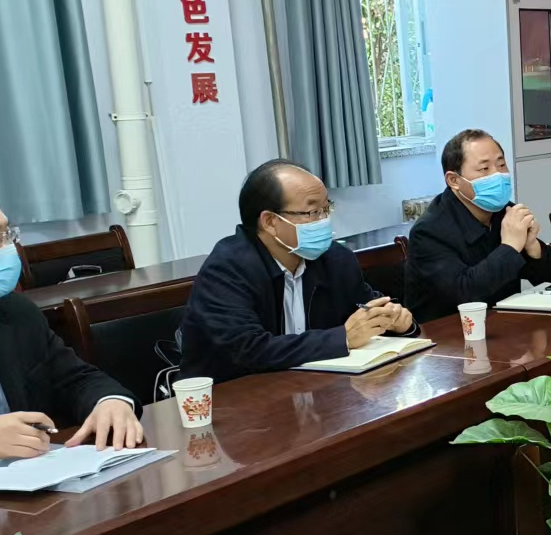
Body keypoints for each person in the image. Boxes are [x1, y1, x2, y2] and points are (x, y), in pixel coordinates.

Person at [0, 173, 142, 479]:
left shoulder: (14, 313)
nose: (9, 250)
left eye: (7, 235)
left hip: (30, 488)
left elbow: (75, 379)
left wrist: (110, 402)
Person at [178, 160, 416, 383]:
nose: (324, 220)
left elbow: (366, 309)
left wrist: (396, 322)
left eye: (326, 208)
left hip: (315, 388)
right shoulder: (227, 269)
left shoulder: (335, 259)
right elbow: (248, 349)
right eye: (313, 212)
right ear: (270, 222)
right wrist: (342, 338)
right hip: (235, 399)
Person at [404, 129, 551, 323]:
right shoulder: (429, 232)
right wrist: (510, 246)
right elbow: (464, 295)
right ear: (454, 180)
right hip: (449, 334)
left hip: (503, 326)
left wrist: (533, 248)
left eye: (501, 165)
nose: (498, 175)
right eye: (484, 169)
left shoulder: (503, 212)